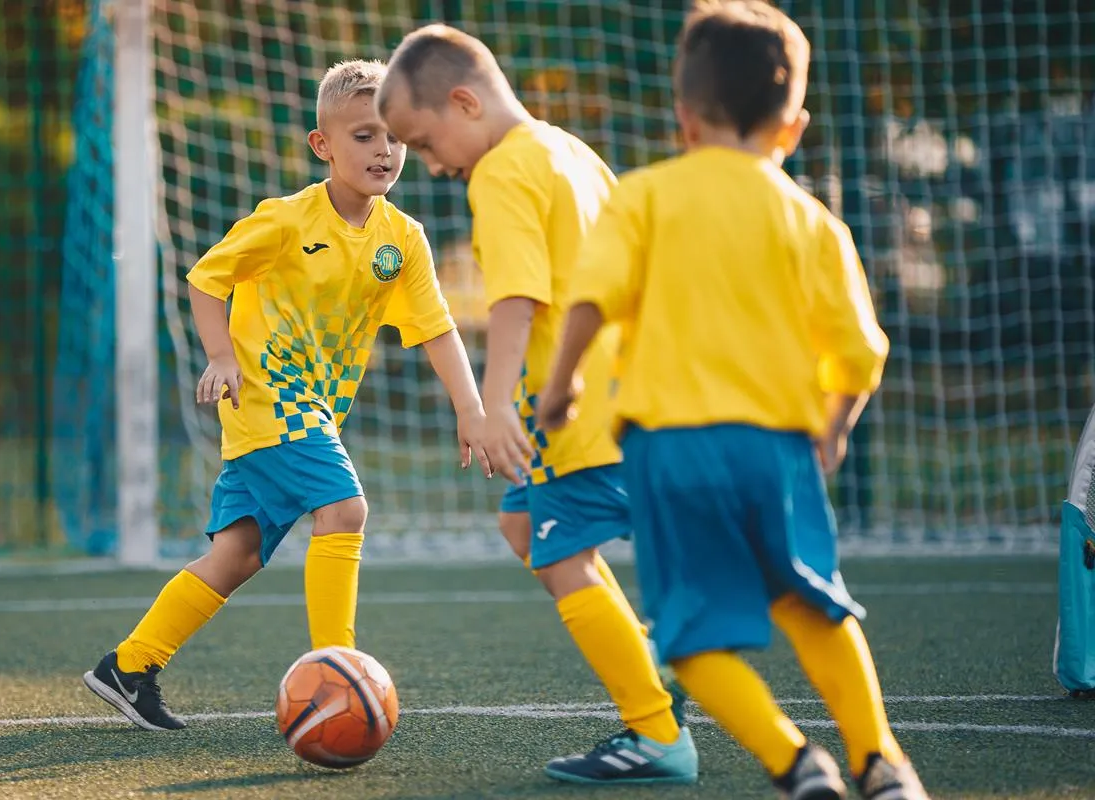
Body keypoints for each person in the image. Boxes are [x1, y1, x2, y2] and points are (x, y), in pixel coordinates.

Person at [537, 3, 929, 799]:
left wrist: (562, 382)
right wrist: (838, 424)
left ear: (683, 117)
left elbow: (591, 298)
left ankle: (795, 763)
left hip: (670, 448)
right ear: (794, 126)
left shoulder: (645, 197)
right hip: (777, 448)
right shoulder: (812, 221)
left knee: (689, 635)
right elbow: (860, 350)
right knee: (815, 604)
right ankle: (879, 760)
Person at [83, 59, 489, 732]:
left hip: (308, 413)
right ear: (322, 145)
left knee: (235, 554)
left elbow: (438, 330)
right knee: (346, 508)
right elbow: (206, 279)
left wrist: (471, 408)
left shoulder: (403, 240)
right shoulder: (284, 220)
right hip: (273, 398)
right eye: (363, 136)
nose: (383, 150)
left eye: (394, 136)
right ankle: (340, 672)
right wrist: (222, 356)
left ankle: (128, 667)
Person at [377, 25, 699, 785]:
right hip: (630, 390)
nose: (429, 164)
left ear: (464, 101)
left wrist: (493, 406)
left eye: (426, 143)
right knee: (523, 523)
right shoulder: (569, 151)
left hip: (571, 409)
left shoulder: (501, 172)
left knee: (562, 560)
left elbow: (518, 299)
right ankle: (656, 660)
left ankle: (659, 734)